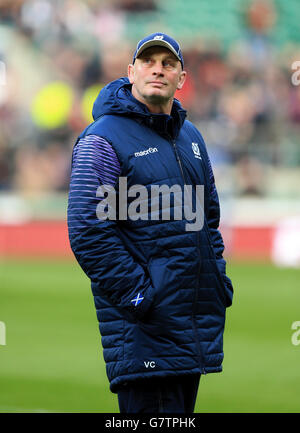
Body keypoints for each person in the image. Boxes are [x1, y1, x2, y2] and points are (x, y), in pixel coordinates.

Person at [67, 32, 233, 413]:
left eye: (167, 63)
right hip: (146, 330)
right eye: (148, 61)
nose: (157, 69)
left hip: (191, 326)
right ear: (131, 72)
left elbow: (208, 220)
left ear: (182, 78)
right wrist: (140, 297)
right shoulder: (103, 139)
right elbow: (88, 231)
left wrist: (217, 279)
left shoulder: (191, 136)